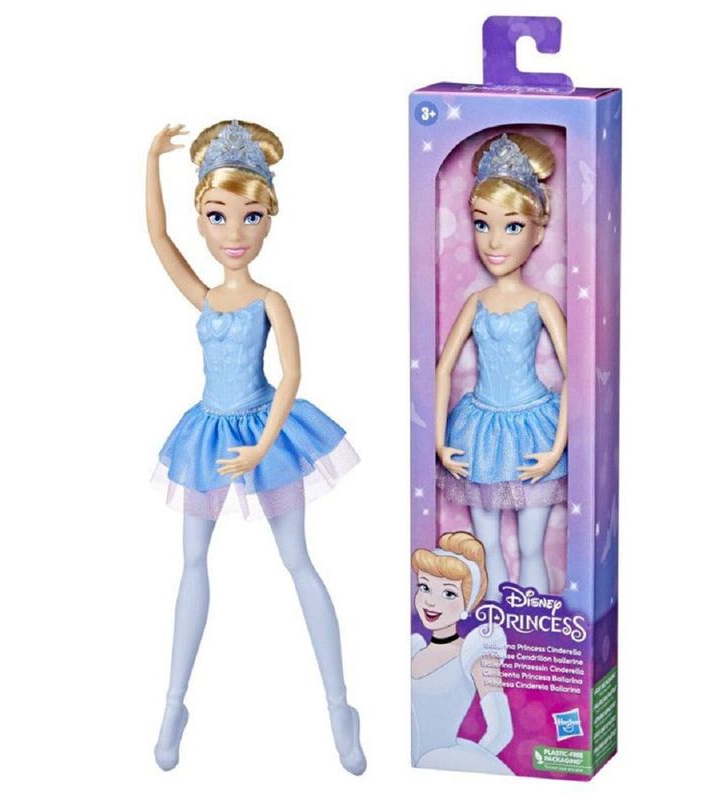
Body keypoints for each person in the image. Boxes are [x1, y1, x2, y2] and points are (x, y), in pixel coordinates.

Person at [146, 120, 365, 774]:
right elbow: (157, 238)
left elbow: (292, 378)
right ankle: (173, 703)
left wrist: (262, 447)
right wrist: (150, 158)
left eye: (250, 216)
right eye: (218, 217)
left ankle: (340, 707)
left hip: (266, 433)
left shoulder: (271, 300)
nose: (234, 232)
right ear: (202, 220)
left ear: (269, 218)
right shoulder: (207, 296)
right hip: (207, 434)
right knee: (191, 561)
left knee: (297, 560)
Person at [435, 133, 568, 597]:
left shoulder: (541, 302)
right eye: (481, 224)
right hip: (479, 430)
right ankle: (493, 622)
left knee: (531, 547)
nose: (494, 241)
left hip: (533, 427)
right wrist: (438, 440)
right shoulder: (475, 302)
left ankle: (533, 621)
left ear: (538, 232)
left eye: (512, 226)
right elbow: (442, 369)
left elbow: (576, 377)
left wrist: (556, 447)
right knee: (485, 542)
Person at [411, 531, 513, 774]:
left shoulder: (477, 652)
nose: (430, 601)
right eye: (425, 587)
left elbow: (501, 731)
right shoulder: (413, 648)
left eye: (448, 593)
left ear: (467, 602)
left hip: (444, 762)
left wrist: (470, 765)